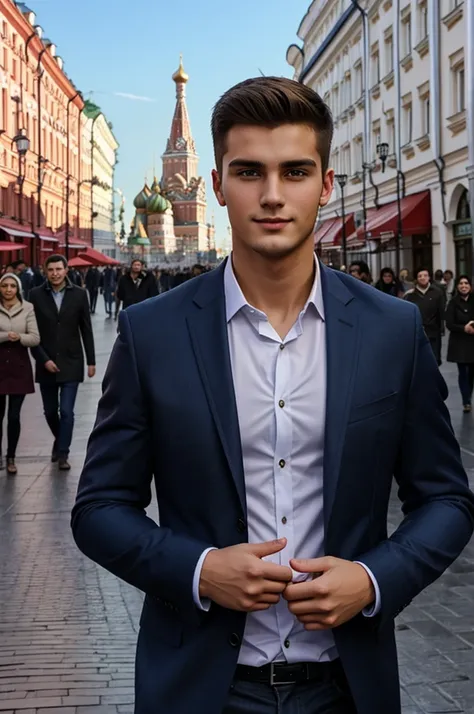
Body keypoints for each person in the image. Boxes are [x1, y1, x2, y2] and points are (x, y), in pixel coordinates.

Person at [71, 77, 474, 714]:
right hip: (202, 689)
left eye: (295, 171)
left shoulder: (389, 330)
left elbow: (448, 499)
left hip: (347, 687)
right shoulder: (154, 334)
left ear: (326, 184)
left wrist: (372, 581)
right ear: (216, 185)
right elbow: (98, 509)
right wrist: (201, 570)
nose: (273, 195)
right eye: (249, 171)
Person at [30, 255, 96, 471]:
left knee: (67, 411)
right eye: (51, 270)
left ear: (66, 270)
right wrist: (43, 359)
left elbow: (86, 328)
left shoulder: (79, 294)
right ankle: (60, 441)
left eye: (59, 269)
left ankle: (63, 453)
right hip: (46, 361)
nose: (55, 273)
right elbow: (31, 332)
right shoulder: (35, 295)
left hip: (71, 360)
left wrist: (91, 360)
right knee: (50, 411)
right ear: (45, 271)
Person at [0, 273, 40, 474]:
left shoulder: (28, 308)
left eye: (12, 286)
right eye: (4, 285)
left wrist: (19, 337)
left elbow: (34, 338)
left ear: (18, 288)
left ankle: (11, 457)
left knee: (14, 416)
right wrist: (7, 335)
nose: (8, 290)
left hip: (19, 366)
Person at [404, 267, 445, 366]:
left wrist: (441, 329)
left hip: (433, 332)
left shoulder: (437, 292)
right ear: (416, 278)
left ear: (429, 277)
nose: (423, 278)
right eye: (420, 276)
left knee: (434, 361)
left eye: (425, 275)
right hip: (417, 333)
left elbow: (441, 313)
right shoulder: (410, 295)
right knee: (419, 362)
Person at [446, 275, 474, 412]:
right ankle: (466, 401)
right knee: (463, 371)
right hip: (459, 342)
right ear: (457, 286)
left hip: (472, 340)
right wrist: (464, 328)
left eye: (466, 283)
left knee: (471, 373)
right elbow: (449, 323)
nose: (464, 286)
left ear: (470, 286)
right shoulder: (453, 303)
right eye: (461, 283)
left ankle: (468, 394)